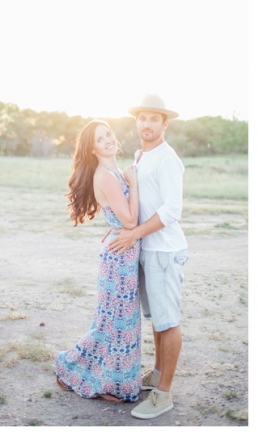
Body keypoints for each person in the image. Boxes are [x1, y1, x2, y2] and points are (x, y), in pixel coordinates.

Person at [108, 95, 187, 420]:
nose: (147, 124)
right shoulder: (142, 155)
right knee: (156, 317)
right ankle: (156, 374)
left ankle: (164, 394)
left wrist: (134, 234)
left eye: (154, 119)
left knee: (168, 322)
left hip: (164, 251)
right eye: (142, 118)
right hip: (146, 248)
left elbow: (172, 210)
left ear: (164, 123)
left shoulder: (168, 159)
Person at [53, 120, 142, 403]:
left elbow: (119, 217)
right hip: (119, 255)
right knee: (113, 322)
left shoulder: (114, 171)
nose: (108, 141)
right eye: (100, 139)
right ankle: (76, 369)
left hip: (122, 250)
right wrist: (134, 184)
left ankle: (111, 382)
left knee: (120, 321)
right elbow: (130, 220)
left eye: (109, 135)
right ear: (92, 149)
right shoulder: (106, 175)